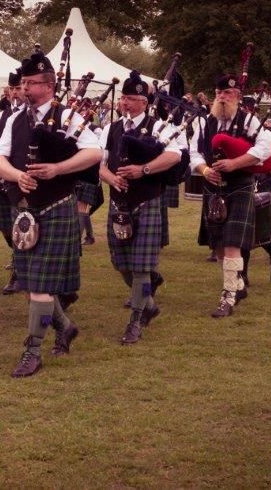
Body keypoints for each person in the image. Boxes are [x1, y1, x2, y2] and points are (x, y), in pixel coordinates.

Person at [0, 50, 102, 377]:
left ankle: (33, 350)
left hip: (56, 207)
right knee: (29, 283)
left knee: (40, 286)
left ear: (50, 85)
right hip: (25, 211)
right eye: (23, 83)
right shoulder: (15, 119)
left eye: (31, 83)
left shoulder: (69, 117)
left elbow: (95, 152)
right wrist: (17, 176)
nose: (24, 88)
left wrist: (58, 168)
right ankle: (65, 326)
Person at [100, 71, 182, 344]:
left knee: (141, 267)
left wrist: (143, 169)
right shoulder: (111, 129)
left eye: (131, 99)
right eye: (123, 98)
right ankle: (149, 304)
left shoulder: (159, 127)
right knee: (121, 264)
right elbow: (99, 162)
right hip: (118, 202)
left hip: (147, 201)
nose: (125, 103)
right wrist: (111, 178)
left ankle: (135, 320)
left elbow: (174, 155)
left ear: (144, 102)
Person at [190, 74, 271, 318]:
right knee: (218, 244)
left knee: (231, 243)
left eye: (227, 93)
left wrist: (235, 163)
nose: (222, 97)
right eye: (219, 93)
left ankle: (228, 297)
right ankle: (238, 285)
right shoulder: (204, 123)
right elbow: (194, 153)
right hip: (213, 188)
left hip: (239, 187)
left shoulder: (249, 120)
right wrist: (205, 171)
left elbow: (265, 149)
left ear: (238, 96)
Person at [0, 71, 26, 293]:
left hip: (23, 182)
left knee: (20, 226)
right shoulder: (0, 117)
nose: (15, 92)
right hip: (3, 180)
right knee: (5, 227)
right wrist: (0, 162)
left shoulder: (30, 116)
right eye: (12, 89)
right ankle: (18, 254)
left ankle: (18, 274)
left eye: (18, 88)